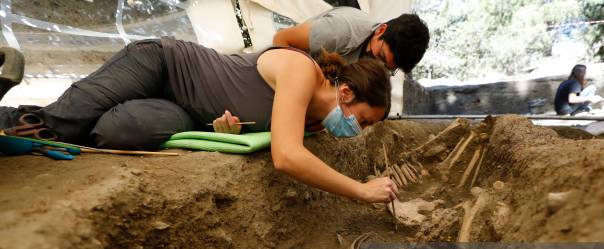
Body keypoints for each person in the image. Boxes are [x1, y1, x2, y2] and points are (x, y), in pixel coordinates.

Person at [0, 39, 398, 203]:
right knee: (58, 125)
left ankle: (80, 115)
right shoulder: (301, 70)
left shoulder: (314, 123)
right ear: (346, 93)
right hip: (163, 66)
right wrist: (360, 191)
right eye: (362, 122)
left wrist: (219, 131)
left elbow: (240, 122)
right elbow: (287, 157)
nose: (356, 132)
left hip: (182, 112)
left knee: (121, 131)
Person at [272, 7, 430, 75]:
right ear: (380, 30)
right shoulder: (341, 31)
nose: (378, 66)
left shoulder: (385, 62)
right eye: (381, 56)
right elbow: (282, 39)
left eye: (388, 68)